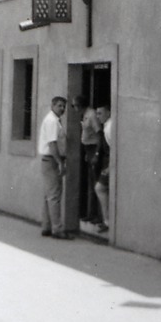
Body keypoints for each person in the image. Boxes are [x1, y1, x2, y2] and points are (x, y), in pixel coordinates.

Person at [37, 96, 71, 240]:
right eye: (59, 106)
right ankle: (57, 229)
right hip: (52, 160)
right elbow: (52, 144)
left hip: (49, 160)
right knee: (54, 196)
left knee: (48, 195)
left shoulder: (54, 120)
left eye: (63, 106)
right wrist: (60, 162)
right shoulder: (52, 121)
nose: (62, 108)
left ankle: (47, 227)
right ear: (52, 105)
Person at [72, 94, 102, 224]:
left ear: (80, 105)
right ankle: (91, 213)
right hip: (88, 150)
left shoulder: (92, 115)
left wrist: (96, 154)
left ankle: (98, 215)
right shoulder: (85, 115)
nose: (74, 108)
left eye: (75, 105)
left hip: (94, 148)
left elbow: (100, 134)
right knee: (91, 183)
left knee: (96, 183)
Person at [92, 104, 112, 234]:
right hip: (107, 163)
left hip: (110, 164)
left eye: (100, 113)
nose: (98, 117)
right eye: (97, 113)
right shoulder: (107, 126)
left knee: (99, 188)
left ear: (108, 112)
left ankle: (107, 221)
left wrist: (110, 167)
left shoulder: (110, 128)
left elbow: (115, 148)